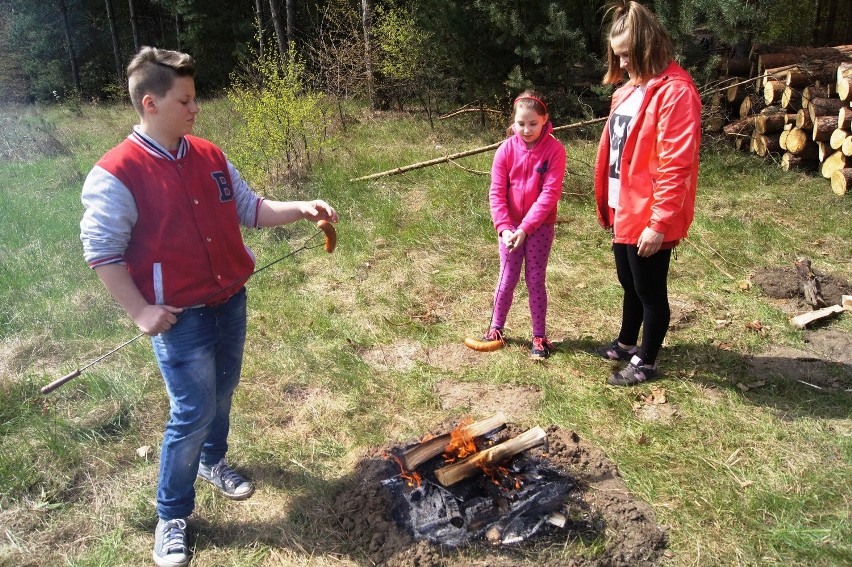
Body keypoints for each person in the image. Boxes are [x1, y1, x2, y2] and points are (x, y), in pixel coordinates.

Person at [79, 47, 338, 567]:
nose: (196, 109)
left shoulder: (209, 155)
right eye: (186, 100)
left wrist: (300, 208)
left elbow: (251, 208)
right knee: (191, 412)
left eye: (195, 99)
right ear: (151, 103)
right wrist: (139, 312)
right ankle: (171, 516)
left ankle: (212, 462)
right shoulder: (116, 172)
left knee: (222, 392)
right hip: (180, 318)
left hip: (229, 301)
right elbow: (101, 251)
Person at [593, 1, 700, 386]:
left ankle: (647, 361)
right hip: (624, 205)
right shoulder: (627, 92)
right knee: (628, 280)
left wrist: (660, 222)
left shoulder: (676, 92)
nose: (620, 64)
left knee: (650, 289)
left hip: (650, 211)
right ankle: (626, 342)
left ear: (645, 47)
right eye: (617, 56)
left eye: (625, 55)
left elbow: (677, 163)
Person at [480, 90, 566, 359]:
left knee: (535, 280)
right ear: (513, 122)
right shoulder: (505, 150)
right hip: (509, 228)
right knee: (507, 278)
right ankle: (496, 328)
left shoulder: (555, 150)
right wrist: (504, 227)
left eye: (533, 123)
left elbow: (549, 195)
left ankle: (539, 336)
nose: (526, 129)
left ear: (544, 120)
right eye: (521, 123)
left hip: (539, 227)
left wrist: (526, 228)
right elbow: (496, 192)